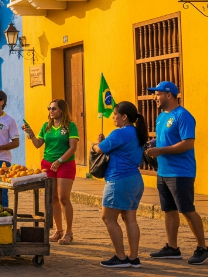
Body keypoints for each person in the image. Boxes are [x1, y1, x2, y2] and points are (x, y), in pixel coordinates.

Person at [145, 81, 206, 265]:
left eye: (158, 94)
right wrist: (153, 144)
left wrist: (161, 151)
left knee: (187, 209)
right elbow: (164, 139)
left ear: (169, 94)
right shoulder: (161, 117)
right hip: (164, 171)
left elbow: (188, 143)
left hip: (181, 172)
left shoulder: (183, 116)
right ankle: (172, 248)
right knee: (169, 210)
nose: (155, 97)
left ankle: (203, 247)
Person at [91, 101, 147, 268]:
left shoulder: (120, 133)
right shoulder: (137, 132)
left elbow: (100, 149)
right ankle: (133, 257)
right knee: (130, 219)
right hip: (135, 179)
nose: (113, 117)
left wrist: (95, 144)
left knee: (108, 218)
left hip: (119, 180)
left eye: (115, 114)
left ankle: (121, 257)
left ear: (124, 116)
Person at [24, 99, 79, 245]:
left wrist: (60, 160)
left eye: (54, 108)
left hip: (65, 164)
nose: (51, 111)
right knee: (52, 198)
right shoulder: (46, 126)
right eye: (49, 108)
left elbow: (73, 147)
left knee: (63, 198)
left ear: (61, 110)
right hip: (48, 164)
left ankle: (69, 232)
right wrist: (31, 134)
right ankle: (58, 230)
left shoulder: (70, 126)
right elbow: (38, 144)